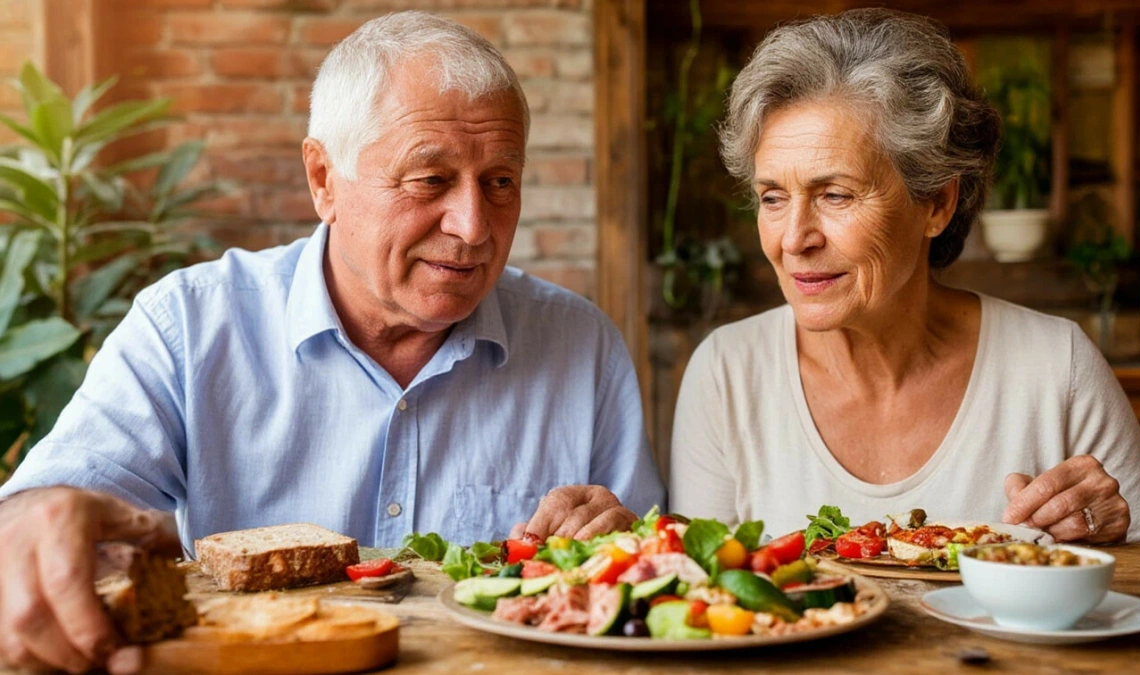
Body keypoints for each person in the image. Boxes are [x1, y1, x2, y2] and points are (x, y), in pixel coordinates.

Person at [0, 12, 663, 674]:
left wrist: (623, 538)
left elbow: (653, 581)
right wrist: (31, 522)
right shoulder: (190, 327)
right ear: (324, 180)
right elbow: (42, 513)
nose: (472, 225)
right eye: (430, 179)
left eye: (500, 182)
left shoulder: (582, 345)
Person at [670, 9, 1140, 546]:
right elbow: (701, 604)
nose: (793, 238)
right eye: (772, 197)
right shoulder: (726, 374)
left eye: (835, 195)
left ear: (937, 203)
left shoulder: (1057, 367)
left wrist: (1115, 543)